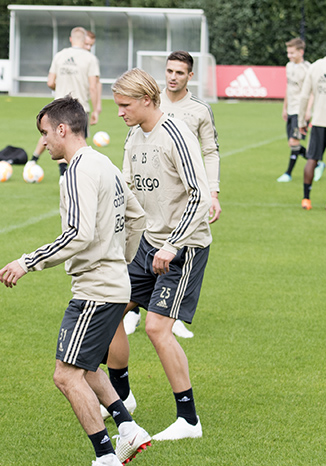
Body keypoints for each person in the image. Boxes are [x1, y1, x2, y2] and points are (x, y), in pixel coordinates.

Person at [0, 96, 149, 466]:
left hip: (96, 287)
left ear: (63, 129)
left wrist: (26, 262)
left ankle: (106, 461)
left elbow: (77, 234)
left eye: (45, 133)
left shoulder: (79, 169)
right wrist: (120, 259)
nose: (44, 141)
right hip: (112, 283)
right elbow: (137, 216)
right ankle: (128, 429)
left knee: (66, 376)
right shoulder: (104, 163)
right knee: (87, 368)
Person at [106, 69, 212, 441]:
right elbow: (127, 189)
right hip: (147, 244)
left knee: (156, 328)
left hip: (184, 246)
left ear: (147, 100)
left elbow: (198, 194)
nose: (119, 112)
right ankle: (121, 398)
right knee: (109, 307)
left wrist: (173, 243)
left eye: (125, 104)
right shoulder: (134, 136)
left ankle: (189, 420)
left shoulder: (176, 134)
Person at [124, 51, 221, 339]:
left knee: (160, 320)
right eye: (169, 71)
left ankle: (170, 313)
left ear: (190, 75)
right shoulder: (146, 107)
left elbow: (210, 151)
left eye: (180, 72)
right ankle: (133, 313)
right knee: (129, 276)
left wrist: (212, 191)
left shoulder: (199, 111)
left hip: (182, 202)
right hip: (150, 211)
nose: (173, 76)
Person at [31, 26, 101, 177]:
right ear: (84, 41)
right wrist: (96, 109)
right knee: (76, 142)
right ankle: (71, 174)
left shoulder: (60, 55)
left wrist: (61, 86)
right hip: (79, 107)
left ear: (71, 39)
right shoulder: (90, 58)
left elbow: (50, 82)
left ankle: (36, 161)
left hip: (58, 107)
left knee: (54, 136)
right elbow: (93, 87)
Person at [279, 38, 317, 183]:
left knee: (294, 142)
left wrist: (308, 110)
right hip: (290, 109)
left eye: (292, 52)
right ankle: (317, 163)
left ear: (300, 52)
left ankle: (288, 173)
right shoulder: (289, 66)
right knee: (291, 143)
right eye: (288, 52)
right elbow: (289, 88)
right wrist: (284, 107)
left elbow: (312, 91)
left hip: (301, 111)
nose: (289, 55)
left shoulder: (308, 68)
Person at [298, 45, 326, 210]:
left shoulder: (315, 66)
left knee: (312, 159)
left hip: (318, 121)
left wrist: (301, 121)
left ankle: (306, 199)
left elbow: (304, 96)